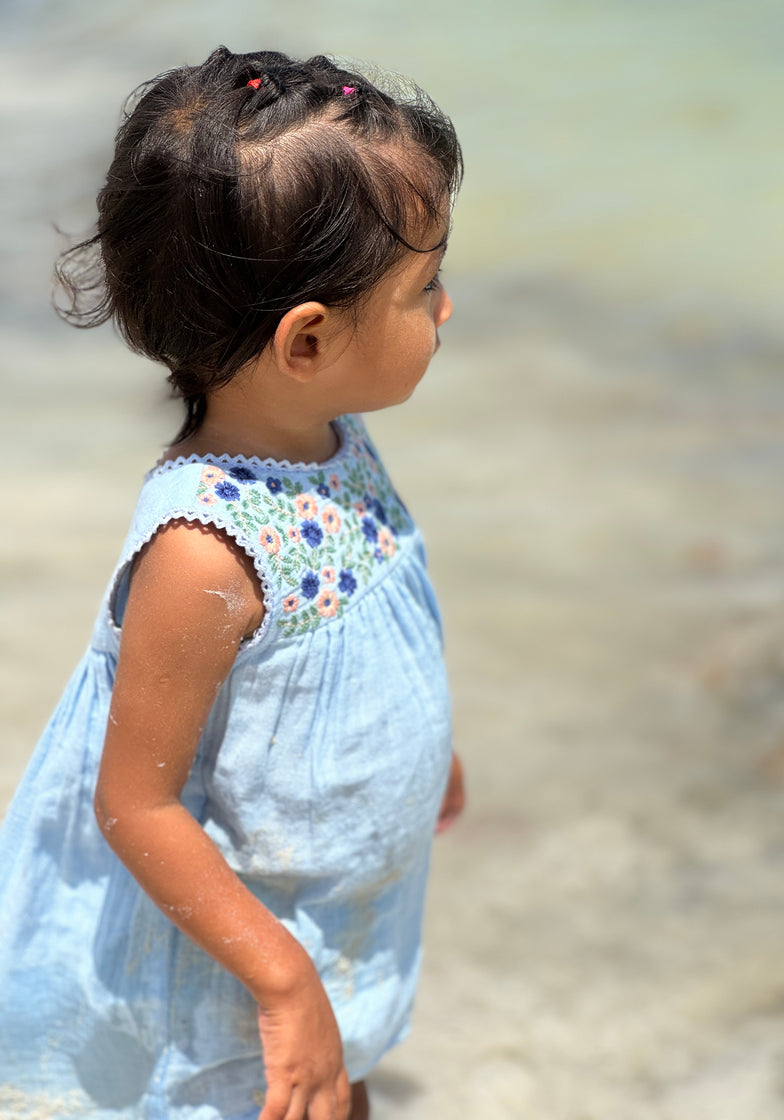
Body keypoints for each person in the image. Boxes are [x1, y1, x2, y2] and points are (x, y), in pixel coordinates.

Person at [0, 45, 465, 1120]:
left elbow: (358, 634)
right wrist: (281, 977)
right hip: (235, 961)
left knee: (332, 1078)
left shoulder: (332, 442)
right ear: (306, 338)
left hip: (327, 907)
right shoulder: (205, 551)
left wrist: (425, 748)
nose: (446, 311)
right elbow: (135, 801)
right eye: (423, 287)